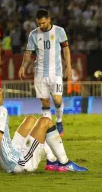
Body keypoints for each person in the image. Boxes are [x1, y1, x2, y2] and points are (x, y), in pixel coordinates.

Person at [0, 81, 87, 176]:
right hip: (18, 164)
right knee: (46, 121)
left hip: (10, 155)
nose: (2, 91)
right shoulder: (0, 111)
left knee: (30, 119)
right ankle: (64, 163)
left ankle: (51, 160)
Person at [18, 9, 72, 138]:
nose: (40, 26)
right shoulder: (33, 34)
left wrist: (69, 67)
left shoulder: (59, 31)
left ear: (49, 20)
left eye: (42, 23)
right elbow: (28, 53)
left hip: (56, 72)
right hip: (40, 72)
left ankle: (59, 121)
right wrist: (23, 66)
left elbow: (66, 50)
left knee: (57, 99)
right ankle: (49, 128)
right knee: (45, 101)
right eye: (38, 23)